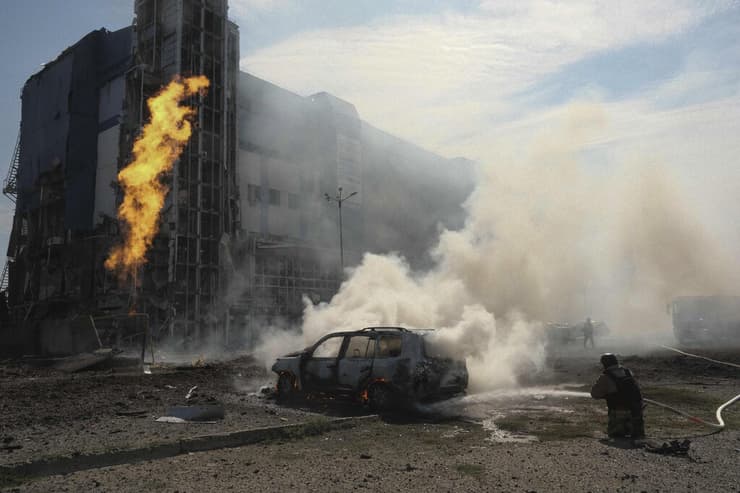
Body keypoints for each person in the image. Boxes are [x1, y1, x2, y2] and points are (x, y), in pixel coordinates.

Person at [590, 353, 645, 439]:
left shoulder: (605, 376)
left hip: (619, 413)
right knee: (636, 434)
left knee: (616, 436)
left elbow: (594, 394)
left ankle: (621, 431)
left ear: (604, 364)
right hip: (636, 412)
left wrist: (606, 394)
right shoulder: (628, 372)